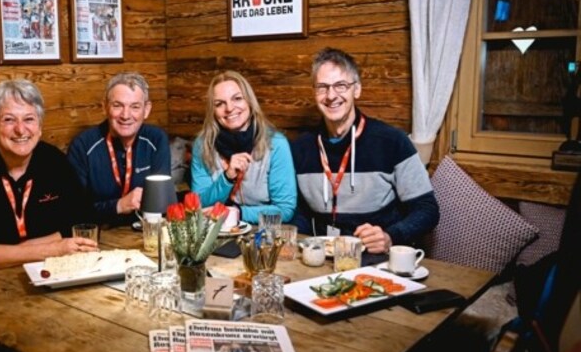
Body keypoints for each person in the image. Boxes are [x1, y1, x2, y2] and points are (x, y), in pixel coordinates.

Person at [291, 48, 438, 254]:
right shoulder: (300, 148)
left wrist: (390, 236)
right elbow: (301, 212)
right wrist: (297, 241)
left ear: (357, 90)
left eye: (341, 85)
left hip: (375, 259)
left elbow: (427, 209)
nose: (331, 95)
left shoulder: (392, 141)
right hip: (319, 259)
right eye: (322, 87)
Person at [0, 80, 97, 271]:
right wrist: (51, 249)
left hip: (51, 271)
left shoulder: (55, 162)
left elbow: (82, 224)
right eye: (9, 120)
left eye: (29, 119)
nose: (20, 129)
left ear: (40, 126)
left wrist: (17, 251)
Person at [190, 70, 296, 224]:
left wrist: (236, 213)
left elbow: (284, 211)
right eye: (219, 104)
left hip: (263, 234)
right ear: (212, 111)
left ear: (249, 102)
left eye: (237, 99)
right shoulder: (203, 145)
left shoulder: (276, 144)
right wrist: (227, 177)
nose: (229, 108)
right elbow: (199, 204)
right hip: (216, 233)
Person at [68, 72, 171, 226]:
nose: (125, 115)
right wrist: (119, 205)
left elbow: (161, 202)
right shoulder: (82, 146)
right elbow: (74, 212)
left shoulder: (156, 139)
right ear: (105, 107)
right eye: (117, 106)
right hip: (99, 236)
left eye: (135, 107)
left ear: (147, 109)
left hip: (144, 232)